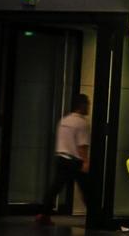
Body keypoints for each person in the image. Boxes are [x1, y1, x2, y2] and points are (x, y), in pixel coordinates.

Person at [36, 93, 90, 225]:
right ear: (81, 106)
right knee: (87, 189)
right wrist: (86, 161)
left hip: (61, 158)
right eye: (87, 104)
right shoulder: (81, 123)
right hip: (74, 161)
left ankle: (44, 213)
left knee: (55, 187)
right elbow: (82, 145)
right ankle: (94, 216)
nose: (88, 107)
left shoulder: (64, 121)